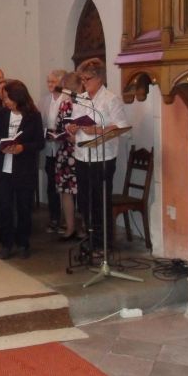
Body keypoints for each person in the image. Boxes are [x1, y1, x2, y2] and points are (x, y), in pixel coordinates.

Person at [66, 58, 129, 249]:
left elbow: (124, 127)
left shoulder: (111, 99)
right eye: (82, 79)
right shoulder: (81, 99)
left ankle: (104, 243)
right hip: (82, 155)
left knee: (100, 201)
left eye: (87, 79)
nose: (84, 83)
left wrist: (99, 130)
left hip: (103, 157)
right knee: (84, 200)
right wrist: (72, 129)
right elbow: (74, 128)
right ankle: (91, 237)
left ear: (99, 78)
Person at [0, 80, 45, 259]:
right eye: (4, 98)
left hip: (24, 170)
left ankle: (23, 243)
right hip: (3, 169)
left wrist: (23, 148)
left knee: (24, 208)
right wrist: (0, 146)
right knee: (5, 207)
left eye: (8, 97)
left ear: (18, 97)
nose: (5, 101)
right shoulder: (3, 114)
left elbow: (39, 142)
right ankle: (6, 244)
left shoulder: (33, 116)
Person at [54, 72, 85, 241]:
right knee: (66, 191)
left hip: (83, 152)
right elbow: (59, 126)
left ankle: (84, 228)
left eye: (72, 89)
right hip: (66, 152)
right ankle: (71, 227)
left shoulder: (88, 104)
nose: (70, 93)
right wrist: (58, 134)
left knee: (82, 192)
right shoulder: (65, 105)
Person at [38, 69, 67, 233]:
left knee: (66, 187)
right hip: (49, 149)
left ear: (62, 83)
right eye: (48, 81)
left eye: (53, 82)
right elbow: (38, 124)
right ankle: (54, 217)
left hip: (64, 149)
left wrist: (59, 134)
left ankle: (68, 219)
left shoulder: (68, 99)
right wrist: (46, 133)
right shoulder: (43, 101)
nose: (49, 85)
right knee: (52, 185)